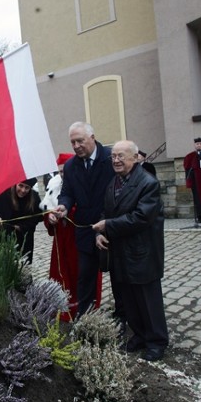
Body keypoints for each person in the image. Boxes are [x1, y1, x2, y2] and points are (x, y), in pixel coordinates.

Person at [92, 140, 169, 362]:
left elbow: (141, 218)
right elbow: (105, 212)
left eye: (121, 156)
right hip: (120, 252)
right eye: (113, 156)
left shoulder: (148, 183)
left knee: (148, 299)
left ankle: (156, 341)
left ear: (135, 158)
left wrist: (108, 226)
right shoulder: (114, 182)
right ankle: (140, 335)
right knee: (128, 299)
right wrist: (99, 234)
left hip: (142, 252)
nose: (116, 160)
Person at [49, 121, 124, 319]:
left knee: (119, 279)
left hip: (111, 228)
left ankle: (123, 317)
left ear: (92, 137)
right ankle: (84, 319)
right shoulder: (72, 165)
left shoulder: (111, 159)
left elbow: (121, 196)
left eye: (80, 141)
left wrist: (105, 222)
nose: (76, 146)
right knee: (85, 279)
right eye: (72, 142)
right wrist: (63, 206)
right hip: (84, 231)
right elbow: (67, 193)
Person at [42, 153, 102, 321]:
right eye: (60, 171)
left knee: (83, 272)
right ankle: (62, 307)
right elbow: (47, 212)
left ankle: (86, 309)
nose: (63, 174)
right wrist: (51, 218)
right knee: (62, 273)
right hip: (61, 240)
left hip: (81, 237)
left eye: (65, 170)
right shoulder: (54, 187)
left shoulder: (83, 181)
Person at [0, 178, 41, 264]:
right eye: (21, 186)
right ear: (16, 184)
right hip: (4, 239)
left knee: (23, 267)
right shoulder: (3, 194)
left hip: (24, 241)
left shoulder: (34, 198)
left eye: (27, 188)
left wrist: (21, 227)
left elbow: (37, 217)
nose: (23, 190)